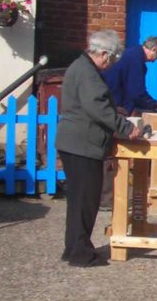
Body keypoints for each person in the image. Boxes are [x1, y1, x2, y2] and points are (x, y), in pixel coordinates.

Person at [56, 30, 141, 267]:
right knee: (85, 201)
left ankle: (73, 248)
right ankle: (80, 253)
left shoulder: (82, 67)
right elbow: (97, 107)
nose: (111, 64)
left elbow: (95, 104)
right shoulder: (87, 73)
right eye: (111, 59)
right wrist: (125, 127)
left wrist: (116, 113)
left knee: (79, 201)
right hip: (81, 144)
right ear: (103, 53)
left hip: (76, 143)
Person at [103, 35, 157, 114]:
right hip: (113, 103)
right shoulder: (135, 59)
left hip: (110, 99)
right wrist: (155, 105)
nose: (154, 61)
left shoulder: (133, 54)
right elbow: (136, 92)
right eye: (156, 56)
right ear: (153, 49)